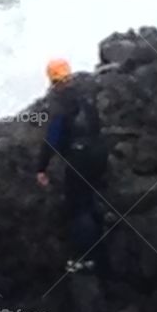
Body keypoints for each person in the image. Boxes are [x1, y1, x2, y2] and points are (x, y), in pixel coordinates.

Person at [36, 59, 108, 274]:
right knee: (91, 201)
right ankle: (102, 255)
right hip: (98, 154)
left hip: (79, 158)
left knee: (78, 209)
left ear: (53, 80)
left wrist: (41, 168)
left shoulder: (61, 104)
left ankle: (83, 260)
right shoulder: (86, 96)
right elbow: (96, 125)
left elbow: (52, 139)